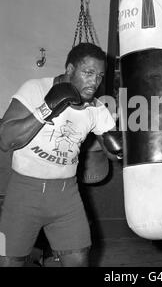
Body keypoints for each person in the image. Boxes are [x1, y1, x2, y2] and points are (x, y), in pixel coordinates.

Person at [0, 42, 122, 267]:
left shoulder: (96, 109)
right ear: (70, 69)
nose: (95, 82)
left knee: (78, 261)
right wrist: (48, 107)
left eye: (100, 76)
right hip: (24, 193)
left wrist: (125, 145)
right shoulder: (35, 88)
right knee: (8, 262)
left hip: (66, 196)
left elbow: (115, 155)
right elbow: (6, 139)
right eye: (88, 73)